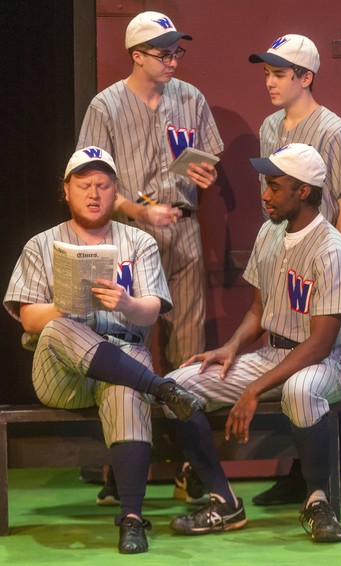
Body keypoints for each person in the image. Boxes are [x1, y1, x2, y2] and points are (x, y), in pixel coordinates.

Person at [3, 146, 204, 554]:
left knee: (124, 387)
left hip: (121, 357)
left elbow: (152, 309)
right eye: (84, 185)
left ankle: (131, 519)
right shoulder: (41, 244)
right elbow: (27, 319)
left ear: (115, 192)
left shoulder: (138, 241)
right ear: (66, 190)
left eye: (103, 185)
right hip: (62, 374)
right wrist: (65, 304)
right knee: (59, 326)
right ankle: (161, 388)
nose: (93, 193)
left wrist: (127, 304)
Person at [165, 143, 341, 543]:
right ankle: (224, 501)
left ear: (303, 191)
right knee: (175, 387)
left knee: (301, 390)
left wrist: (254, 389)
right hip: (273, 353)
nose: (264, 195)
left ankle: (319, 501)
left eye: (274, 186)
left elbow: (321, 342)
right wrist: (231, 348)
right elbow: (258, 310)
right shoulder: (270, 232)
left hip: (325, 363)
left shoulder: (331, 249)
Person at [76, 10, 221, 505]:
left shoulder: (192, 98)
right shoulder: (107, 105)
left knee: (186, 351)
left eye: (178, 51)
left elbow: (208, 160)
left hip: (182, 229)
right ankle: (122, 467)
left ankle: (190, 466)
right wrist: (139, 209)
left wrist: (205, 176)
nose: (174, 61)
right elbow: (93, 185)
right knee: (125, 349)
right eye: (164, 53)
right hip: (127, 235)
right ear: (136, 55)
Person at [248, 33, 341, 507]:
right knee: (285, 353)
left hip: (321, 263)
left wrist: (331, 262)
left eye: (279, 73)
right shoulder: (270, 126)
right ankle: (300, 473)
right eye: (267, 73)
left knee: (318, 356)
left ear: (306, 77)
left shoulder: (332, 129)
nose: (270, 82)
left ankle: (328, 477)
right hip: (282, 256)